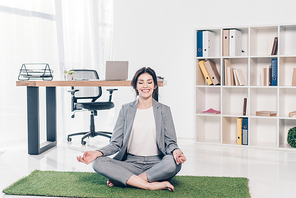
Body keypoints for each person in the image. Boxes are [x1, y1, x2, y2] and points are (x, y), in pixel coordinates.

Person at [77, 67, 186, 192]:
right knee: (97, 163)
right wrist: (97, 153)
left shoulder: (164, 110)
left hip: (157, 163)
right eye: (141, 82)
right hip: (131, 163)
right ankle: (148, 184)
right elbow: (116, 143)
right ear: (135, 86)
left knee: (173, 163)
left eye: (149, 82)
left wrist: (176, 150)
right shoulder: (126, 109)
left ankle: (131, 180)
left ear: (155, 85)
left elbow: (170, 142)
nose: (145, 86)